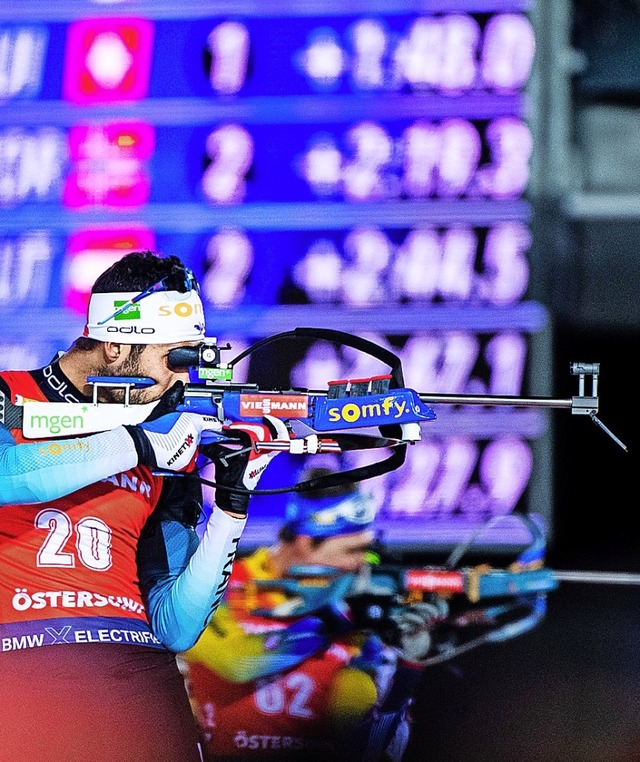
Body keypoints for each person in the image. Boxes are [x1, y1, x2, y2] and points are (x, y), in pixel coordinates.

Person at [0, 250, 284, 762]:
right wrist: (138, 444)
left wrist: (231, 507)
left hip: (138, 675)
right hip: (23, 665)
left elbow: (177, 625)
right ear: (113, 345)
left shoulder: (166, 437)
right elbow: (9, 477)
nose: (182, 381)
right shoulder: (8, 395)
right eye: (172, 359)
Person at [180, 466, 430, 762]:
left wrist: (409, 665)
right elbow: (237, 662)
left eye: (368, 551)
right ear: (306, 541)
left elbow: (372, 744)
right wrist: (337, 619)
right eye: (351, 551)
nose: (361, 564)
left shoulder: (361, 609)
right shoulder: (221, 584)